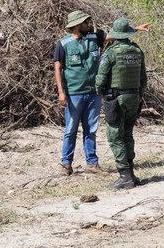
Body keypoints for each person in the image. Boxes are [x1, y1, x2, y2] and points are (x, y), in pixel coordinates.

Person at [53, 10, 109, 176]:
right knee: (70, 129)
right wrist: (61, 92)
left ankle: (92, 163)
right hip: (74, 94)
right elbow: (58, 68)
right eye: (85, 23)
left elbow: (115, 35)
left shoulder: (93, 38)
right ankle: (66, 165)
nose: (88, 25)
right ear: (77, 25)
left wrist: (135, 29)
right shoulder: (63, 44)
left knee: (90, 130)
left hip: (93, 93)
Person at [95, 18, 148, 189]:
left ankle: (124, 176)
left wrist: (101, 92)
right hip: (134, 97)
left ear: (115, 35)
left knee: (115, 136)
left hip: (117, 98)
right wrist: (138, 94)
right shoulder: (137, 51)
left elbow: (101, 78)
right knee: (127, 134)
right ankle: (131, 173)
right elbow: (143, 79)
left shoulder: (111, 53)